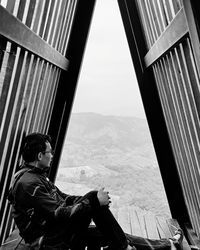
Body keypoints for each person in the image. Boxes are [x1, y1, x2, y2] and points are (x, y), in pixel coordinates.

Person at [8, 132, 183, 250]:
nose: (52, 155)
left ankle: (166, 244)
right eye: (50, 152)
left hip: (54, 230)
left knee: (115, 234)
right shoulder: (29, 183)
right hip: (46, 240)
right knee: (98, 208)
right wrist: (93, 201)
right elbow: (58, 213)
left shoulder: (34, 176)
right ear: (40, 156)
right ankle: (129, 247)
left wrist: (91, 201)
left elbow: (63, 198)